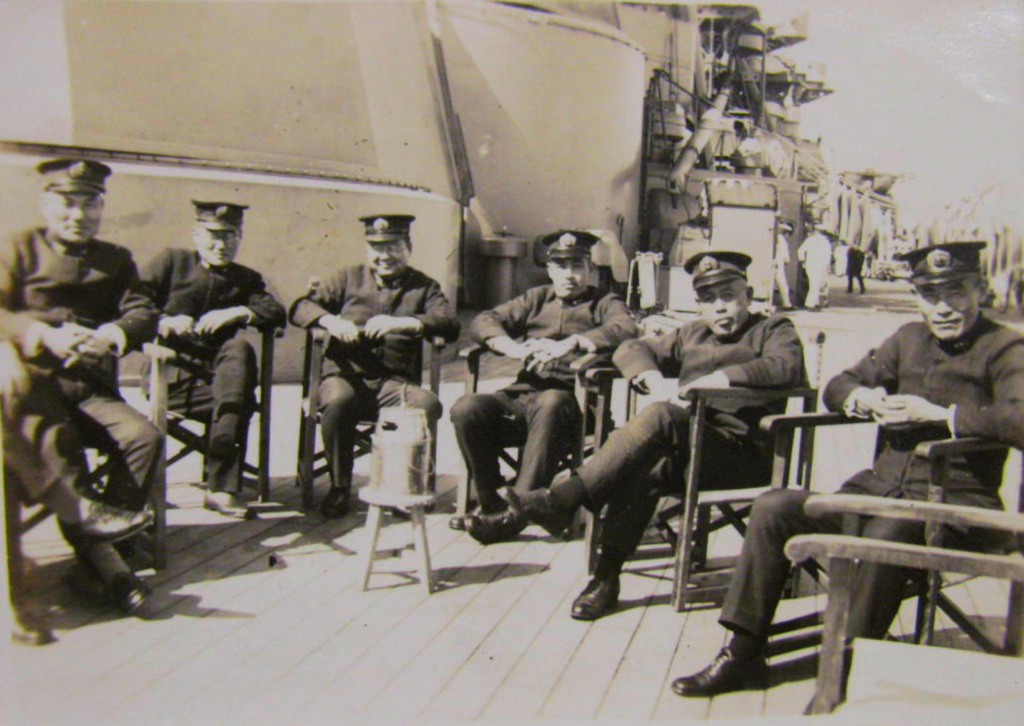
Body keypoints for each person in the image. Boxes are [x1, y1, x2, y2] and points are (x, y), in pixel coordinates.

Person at [671, 241, 1024, 699]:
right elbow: (839, 384)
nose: (942, 308)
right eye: (929, 296)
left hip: (957, 506)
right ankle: (743, 651)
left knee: (891, 529)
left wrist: (941, 416)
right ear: (916, 297)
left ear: (979, 289)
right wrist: (862, 398)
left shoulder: (1005, 347)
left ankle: (845, 671)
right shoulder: (907, 339)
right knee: (775, 505)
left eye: (956, 292)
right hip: (876, 491)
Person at [471, 251, 805, 619]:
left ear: (750, 295)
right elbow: (633, 347)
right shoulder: (692, 333)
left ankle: (565, 498)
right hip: (685, 451)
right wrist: (648, 377)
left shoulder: (774, 329)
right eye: (709, 300)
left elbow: (784, 366)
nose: (721, 308)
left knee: (661, 416)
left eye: (729, 296)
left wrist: (718, 380)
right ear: (699, 305)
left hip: (741, 456)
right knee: (642, 465)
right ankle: (606, 578)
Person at [0, 158, 162, 614]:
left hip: (91, 389)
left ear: (101, 209)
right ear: (45, 204)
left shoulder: (115, 259)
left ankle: (102, 542)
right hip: (32, 392)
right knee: (58, 437)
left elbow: (143, 313)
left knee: (143, 438)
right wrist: (39, 336)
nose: (78, 215)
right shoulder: (17, 249)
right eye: (67, 204)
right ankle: (106, 565)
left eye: (89, 205)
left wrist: (109, 336)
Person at [453, 230, 638, 543]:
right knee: (467, 408)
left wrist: (574, 343)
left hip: (577, 406)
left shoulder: (605, 302)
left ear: (590, 270)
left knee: (551, 401)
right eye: (561, 266)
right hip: (525, 397)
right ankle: (491, 501)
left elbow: (625, 328)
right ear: (550, 270)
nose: (569, 274)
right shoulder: (535, 299)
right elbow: (484, 320)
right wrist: (515, 349)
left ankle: (519, 511)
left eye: (577, 266)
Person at [290, 214, 460, 517]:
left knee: (427, 403)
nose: (384, 256)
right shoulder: (347, 278)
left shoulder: (424, 287)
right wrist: (331, 321)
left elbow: (448, 324)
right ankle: (340, 487)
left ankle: (403, 485)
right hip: (344, 378)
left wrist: (406, 323)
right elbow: (301, 306)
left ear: (408, 247)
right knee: (339, 401)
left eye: (393, 246)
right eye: (376, 247)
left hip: (394, 385)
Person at [140, 201, 286, 518]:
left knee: (239, 350)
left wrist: (238, 311)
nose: (221, 245)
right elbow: (133, 302)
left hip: (219, 381)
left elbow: (275, 312)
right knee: (239, 401)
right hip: (172, 378)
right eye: (213, 236)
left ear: (240, 237)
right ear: (195, 234)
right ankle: (223, 482)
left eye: (230, 236)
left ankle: (220, 488)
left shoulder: (245, 279)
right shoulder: (171, 262)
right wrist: (163, 320)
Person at [797, 224, 833, 310]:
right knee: (816, 285)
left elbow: (800, 251)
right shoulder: (825, 242)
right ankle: (810, 304)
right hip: (820, 265)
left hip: (810, 265)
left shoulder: (810, 240)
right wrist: (828, 267)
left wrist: (803, 261)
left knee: (814, 284)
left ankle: (815, 302)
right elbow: (827, 256)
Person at [772, 221, 795, 309]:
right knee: (783, 284)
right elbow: (785, 255)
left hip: (776, 262)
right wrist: (787, 260)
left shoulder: (778, 238)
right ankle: (787, 304)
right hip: (779, 263)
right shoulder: (782, 240)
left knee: (774, 284)